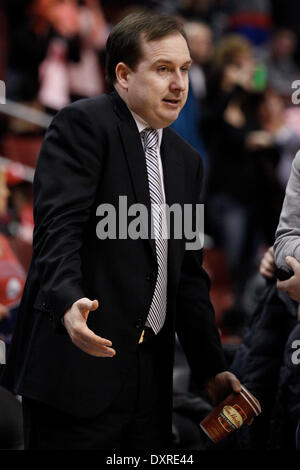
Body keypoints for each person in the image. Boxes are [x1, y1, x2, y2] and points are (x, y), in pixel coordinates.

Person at [1, 12, 241, 450]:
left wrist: (210, 366)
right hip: (76, 371)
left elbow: (186, 275)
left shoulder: (188, 161)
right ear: (124, 75)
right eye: (164, 69)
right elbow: (58, 229)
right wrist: (68, 299)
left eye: (186, 69)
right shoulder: (83, 125)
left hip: (149, 382)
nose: (179, 84)